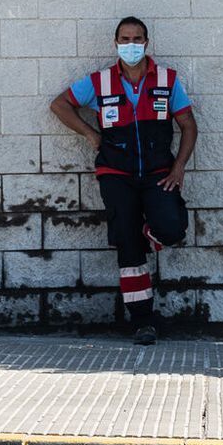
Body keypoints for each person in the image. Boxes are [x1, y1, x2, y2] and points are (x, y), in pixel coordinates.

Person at [50, 17, 197, 345]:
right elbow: (59, 105)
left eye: (137, 38)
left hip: (159, 172)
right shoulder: (99, 82)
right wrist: (90, 133)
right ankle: (143, 321)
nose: (131, 44)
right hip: (116, 174)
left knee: (172, 227)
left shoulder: (167, 80)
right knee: (128, 246)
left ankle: (150, 233)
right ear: (116, 43)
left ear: (147, 42)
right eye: (125, 38)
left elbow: (188, 124)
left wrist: (179, 167)